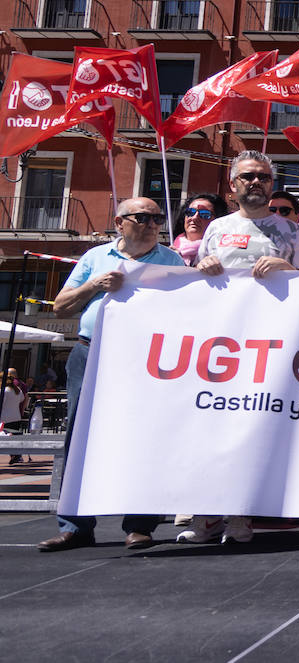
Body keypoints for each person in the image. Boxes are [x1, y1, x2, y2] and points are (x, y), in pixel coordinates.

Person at [38, 197, 185, 552]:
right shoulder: (94, 258)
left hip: (144, 361)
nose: (152, 224)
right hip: (91, 354)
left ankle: (140, 526)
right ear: (119, 223)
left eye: (156, 218)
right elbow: (61, 305)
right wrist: (94, 285)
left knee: (145, 437)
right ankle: (75, 526)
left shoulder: (173, 261)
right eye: (142, 217)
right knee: (80, 437)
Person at [179, 152, 299, 545]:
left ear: (271, 185)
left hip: (268, 348)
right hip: (219, 346)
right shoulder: (216, 229)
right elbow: (194, 285)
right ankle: (206, 516)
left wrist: (286, 269)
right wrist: (199, 269)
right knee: (211, 430)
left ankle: (240, 516)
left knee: (251, 431)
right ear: (233, 185)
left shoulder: (291, 231)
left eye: (264, 177)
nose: (256, 182)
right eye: (249, 176)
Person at [171, 193, 229, 265]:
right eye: (190, 212)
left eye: (204, 214)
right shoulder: (167, 251)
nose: (194, 218)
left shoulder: (223, 252)